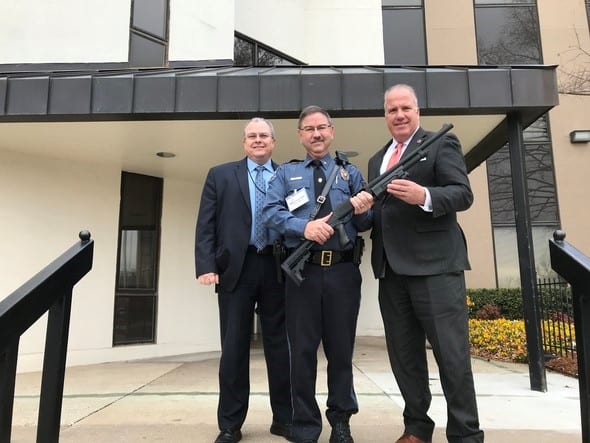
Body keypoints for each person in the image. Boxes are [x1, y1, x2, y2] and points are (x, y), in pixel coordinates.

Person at [367, 84, 484, 443]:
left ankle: (465, 433)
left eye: (405, 108)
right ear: (385, 116)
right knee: (404, 357)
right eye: (392, 110)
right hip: (390, 271)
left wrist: (425, 196)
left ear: (417, 111)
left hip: (435, 268)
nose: (399, 115)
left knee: (451, 357)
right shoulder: (377, 159)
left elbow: (463, 193)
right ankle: (416, 427)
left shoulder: (439, 143)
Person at [263, 105, 373, 443]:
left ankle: (341, 422)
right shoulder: (285, 174)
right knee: (303, 353)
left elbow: (365, 225)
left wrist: (367, 208)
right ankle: (306, 425)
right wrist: (304, 227)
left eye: (322, 127)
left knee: (341, 352)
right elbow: (269, 212)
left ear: (332, 131)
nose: (317, 134)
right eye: (309, 129)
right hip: (303, 276)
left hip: (342, 273)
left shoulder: (349, 174)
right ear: (300, 135)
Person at [195, 117, 292, 443]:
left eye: (264, 135)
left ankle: (284, 419)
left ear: (273, 142)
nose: (258, 140)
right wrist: (206, 265)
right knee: (234, 347)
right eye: (252, 136)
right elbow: (206, 226)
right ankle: (230, 425)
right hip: (236, 269)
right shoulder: (220, 175)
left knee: (280, 347)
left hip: (278, 268)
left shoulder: (287, 175)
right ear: (244, 142)